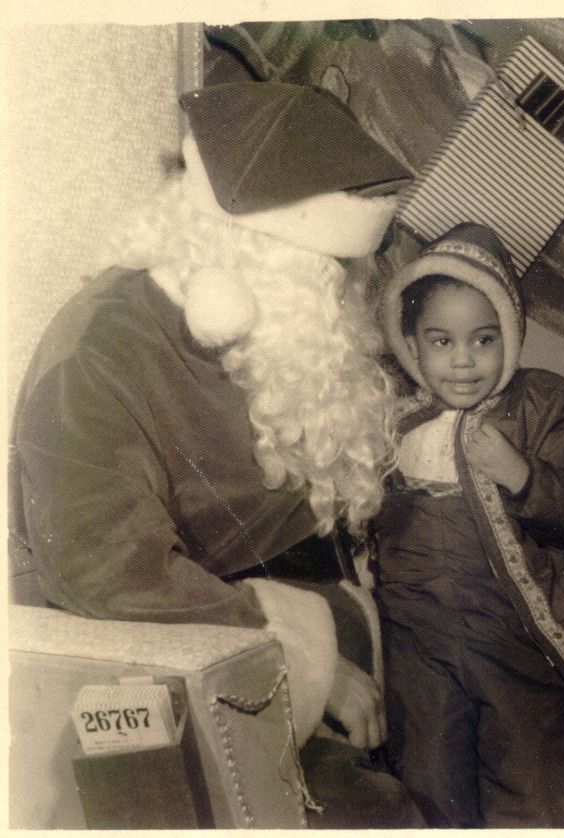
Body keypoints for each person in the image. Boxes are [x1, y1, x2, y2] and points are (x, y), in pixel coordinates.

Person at [9, 79, 425, 828]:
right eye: (333, 275)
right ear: (254, 252)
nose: (345, 299)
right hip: (200, 681)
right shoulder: (102, 350)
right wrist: (313, 668)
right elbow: (107, 571)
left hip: (316, 650)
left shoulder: (234, 326)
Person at [373, 222, 564, 828]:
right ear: (412, 343)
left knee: (538, 787)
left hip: (519, 641)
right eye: (441, 341)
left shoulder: (540, 402)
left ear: (509, 335)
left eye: (483, 340)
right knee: (431, 786)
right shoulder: (391, 417)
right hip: (418, 640)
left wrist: (521, 474)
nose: (462, 361)